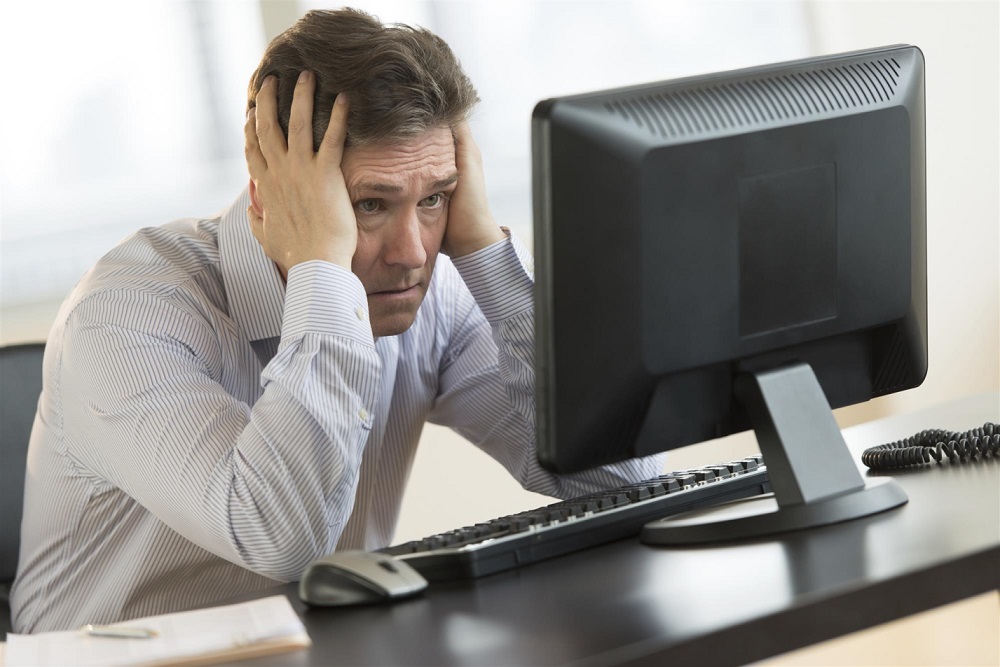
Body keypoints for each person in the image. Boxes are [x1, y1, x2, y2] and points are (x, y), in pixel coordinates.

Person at [11, 8, 662, 633]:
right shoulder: (126, 312)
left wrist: (486, 252)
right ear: (269, 194)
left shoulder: (429, 288)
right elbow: (280, 536)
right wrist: (322, 269)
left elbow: (622, 479)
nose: (412, 252)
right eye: (370, 204)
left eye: (435, 198)